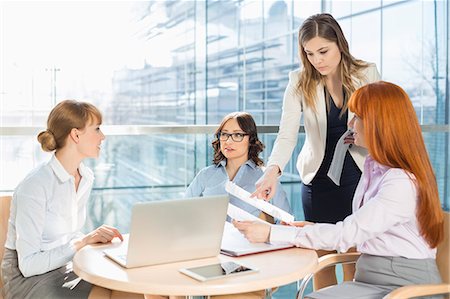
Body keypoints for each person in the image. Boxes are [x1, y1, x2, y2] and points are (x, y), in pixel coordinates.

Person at [235, 81, 445, 299]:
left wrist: (272, 233)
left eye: (358, 118)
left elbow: (348, 233)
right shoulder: (374, 169)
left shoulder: (400, 182)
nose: (351, 124)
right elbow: (363, 230)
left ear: (378, 124)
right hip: (370, 280)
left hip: (403, 288)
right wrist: (311, 228)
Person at [251, 13, 381, 289]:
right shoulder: (299, 81)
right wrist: (271, 172)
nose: (317, 60)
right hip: (318, 179)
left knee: (352, 258)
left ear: (339, 44)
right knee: (321, 261)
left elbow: (380, 124)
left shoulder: (366, 73)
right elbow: (286, 135)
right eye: (309, 54)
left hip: (357, 175)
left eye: (323, 51)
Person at [1, 100, 125, 299]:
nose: (103, 136)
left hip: (63, 265)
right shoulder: (35, 185)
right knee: (102, 295)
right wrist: (84, 241)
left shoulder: (85, 177)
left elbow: (69, 234)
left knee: (124, 289)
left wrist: (96, 241)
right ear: (76, 135)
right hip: (27, 276)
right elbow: (29, 265)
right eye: (97, 129)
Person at [185, 111, 291, 223]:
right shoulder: (205, 175)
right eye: (224, 134)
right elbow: (182, 211)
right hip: (208, 238)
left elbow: (287, 224)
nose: (228, 141)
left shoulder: (266, 178)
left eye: (237, 135)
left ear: (250, 139)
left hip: (248, 240)